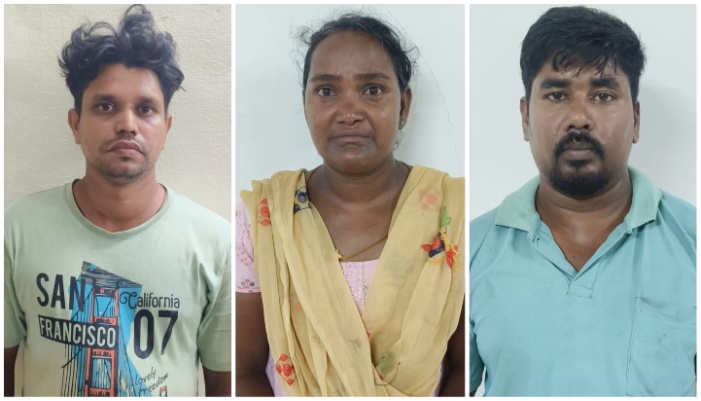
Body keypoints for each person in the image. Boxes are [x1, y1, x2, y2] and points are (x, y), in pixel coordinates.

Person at [4, 5, 231, 397]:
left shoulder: (215, 245)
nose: (127, 123)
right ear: (75, 124)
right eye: (105, 106)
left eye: (145, 109)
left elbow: (225, 386)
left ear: (166, 127)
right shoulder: (16, 231)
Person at [469, 6, 695, 397]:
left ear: (636, 120)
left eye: (603, 94)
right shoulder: (467, 250)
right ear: (525, 118)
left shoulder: (691, 241)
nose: (578, 118)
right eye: (556, 95)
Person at [235, 12, 465, 396]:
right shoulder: (264, 219)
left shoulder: (453, 211)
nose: (348, 112)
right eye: (327, 91)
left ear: (404, 106)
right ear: (306, 103)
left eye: (372, 90)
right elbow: (244, 371)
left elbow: (464, 370)